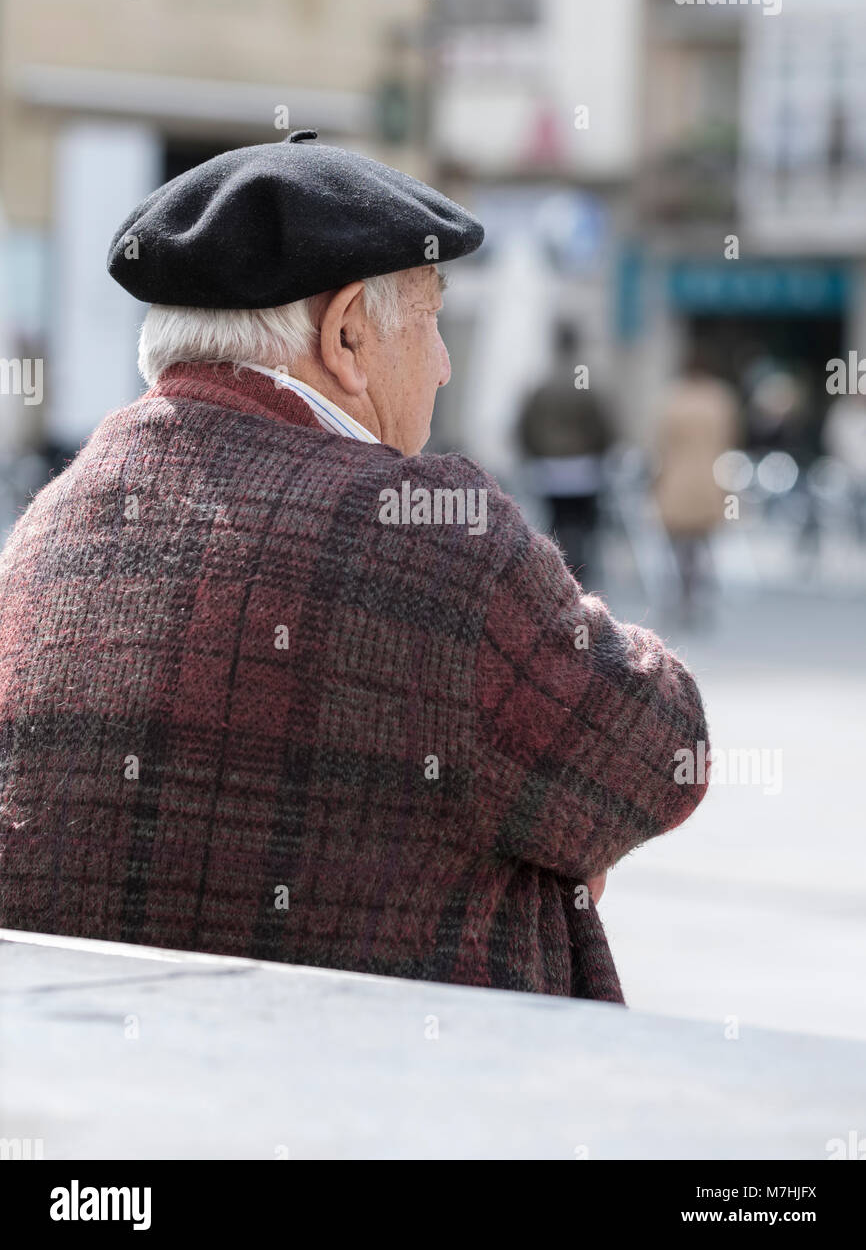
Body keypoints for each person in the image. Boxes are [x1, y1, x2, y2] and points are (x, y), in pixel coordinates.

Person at [0, 132, 709, 1005]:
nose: (445, 366)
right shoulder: (433, 538)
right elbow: (665, 745)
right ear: (344, 336)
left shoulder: (43, 531)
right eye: (433, 318)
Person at [517, 320, 613, 587]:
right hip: (585, 470)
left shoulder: (542, 384)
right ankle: (582, 577)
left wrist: (536, 454)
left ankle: (559, 575)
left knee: (556, 525)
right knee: (585, 526)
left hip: (549, 469)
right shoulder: (586, 383)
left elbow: (525, 427)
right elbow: (604, 427)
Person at [655, 350, 740, 623]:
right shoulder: (720, 399)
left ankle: (683, 595)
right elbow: (731, 439)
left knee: (678, 545)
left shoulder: (673, 399)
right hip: (709, 478)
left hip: (677, 479)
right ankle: (701, 594)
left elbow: (660, 443)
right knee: (705, 542)